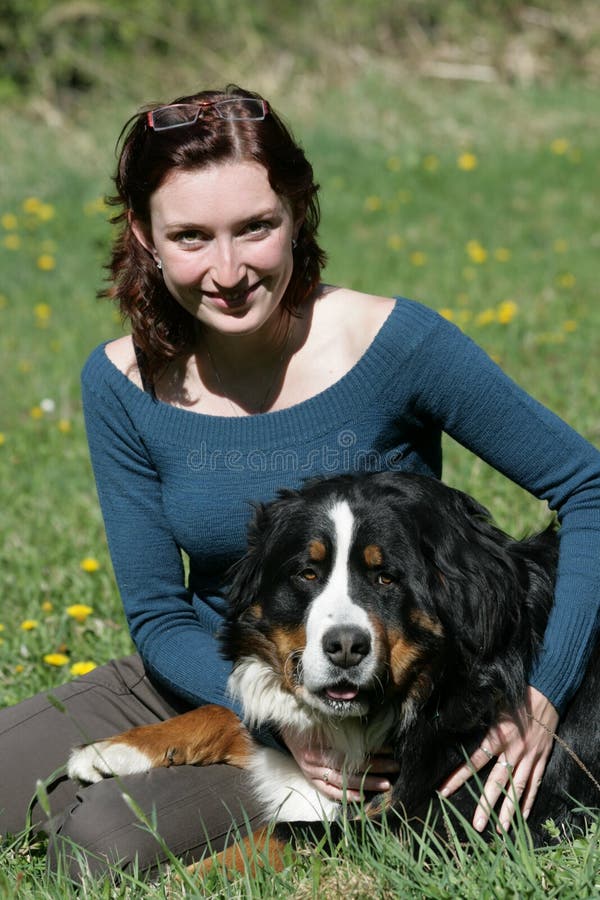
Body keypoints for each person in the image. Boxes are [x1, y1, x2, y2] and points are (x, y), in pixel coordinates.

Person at [1, 85, 599, 881]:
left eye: (256, 227)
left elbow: (587, 487)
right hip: (212, 668)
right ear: (144, 235)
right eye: (190, 236)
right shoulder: (120, 382)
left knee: (98, 843)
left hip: (366, 702)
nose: (228, 269)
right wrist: (272, 716)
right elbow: (155, 612)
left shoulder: (394, 343)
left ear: (298, 213)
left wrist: (543, 692)